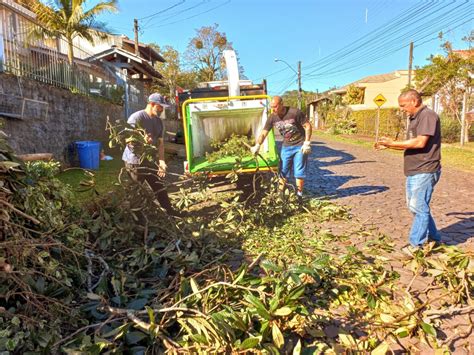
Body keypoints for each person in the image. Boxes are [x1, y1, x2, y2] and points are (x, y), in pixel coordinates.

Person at [374, 89, 442, 257]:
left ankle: (415, 245)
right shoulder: (415, 118)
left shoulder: (427, 115)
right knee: (417, 207)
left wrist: (392, 143)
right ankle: (434, 238)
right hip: (415, 169)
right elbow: (412, 145)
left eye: (403, 105)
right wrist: (390, 146)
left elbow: (420, 142)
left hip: (425, 168)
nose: (402, 109)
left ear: (414, 101)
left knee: (418, 207)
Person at [122, 93, 178, 216]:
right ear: (152, 104)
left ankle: (170, 212)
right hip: (134, 161)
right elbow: (127, 140)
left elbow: (161, 143)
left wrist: (162, 161)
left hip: (150, 159)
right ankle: (134, 218)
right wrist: (142, 141)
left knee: (159, 186)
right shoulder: (136, 117)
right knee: (135, 191)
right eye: (160, 107)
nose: (162, 109)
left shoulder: (158, 122)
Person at [251, 96, 312, 204]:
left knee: (299, 172)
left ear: (281, 104)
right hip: (286, 147)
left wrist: (307, 142)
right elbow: (264, 132)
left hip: (300, 145)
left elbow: (307, 126)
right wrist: (257, 145)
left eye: (275, 107)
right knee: (283, 171)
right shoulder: (272, 117)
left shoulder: (295, 113)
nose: (273, 109)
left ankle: (299, 196)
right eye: (271, 107)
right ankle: (280, 195)